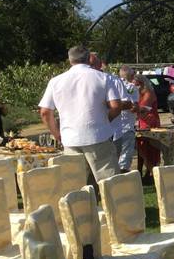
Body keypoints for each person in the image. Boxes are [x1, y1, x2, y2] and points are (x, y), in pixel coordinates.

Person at [39, 46, 123, 182]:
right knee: (109, 184)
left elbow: (45, 112)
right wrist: (105, 120)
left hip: (70, 139)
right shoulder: (103, 78)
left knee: (77, 185)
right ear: (88, 58)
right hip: (99, 136)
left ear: (69, 59)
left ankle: (85, 203)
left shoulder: (56, 81)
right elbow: (116, 106)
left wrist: (57, 134)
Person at [111, 66, 140, 174]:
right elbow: (134, 107)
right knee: (125, 156)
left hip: (112, 125)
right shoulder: (132, 88)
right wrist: (139, 109)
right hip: (127, 125)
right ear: (131, 76)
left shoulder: (112, 85)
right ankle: (123, 179)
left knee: (113, 156)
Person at [134, 73, 161, 181]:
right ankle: (141, 172)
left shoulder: (148, 93)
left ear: (142, 83)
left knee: (149, 148)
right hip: (142, 122)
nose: (134, 87)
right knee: (141, 146)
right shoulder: (139, 94)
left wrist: (128, 107)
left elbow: (143, 109)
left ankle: (151, 173)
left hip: (150, 123)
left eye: (136, 85)